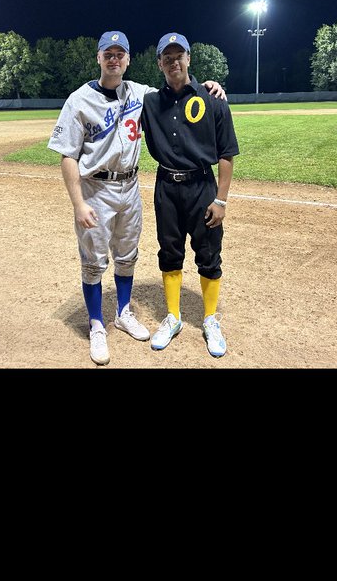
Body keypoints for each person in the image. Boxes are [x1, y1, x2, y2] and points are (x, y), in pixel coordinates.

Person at [48, 31, 226, 365]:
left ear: (128, 60)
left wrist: (208, 86)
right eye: (108, 54)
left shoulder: (140, 93)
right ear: (99, 58)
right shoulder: (78, 100)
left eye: (120, 54)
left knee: (127, 255)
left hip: (130, 187)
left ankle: (123, 313)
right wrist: (78, 203)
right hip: (96, 189)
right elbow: (67, 156)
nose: (114, 59)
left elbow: (179, 89)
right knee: (94, 261)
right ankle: (97, 324)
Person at [140, 32, 239, 358]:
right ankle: (173, 317)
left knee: (209, 253)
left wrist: (220, 200)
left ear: (189, 59)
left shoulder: (213, 99)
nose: (174, 62)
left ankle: (210, 320)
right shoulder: (150, 103)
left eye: (179, 56)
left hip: (202, 187)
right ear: (160, 64)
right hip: (166, 188)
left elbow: (226, 153)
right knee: (169, 251)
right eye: (167, 58)